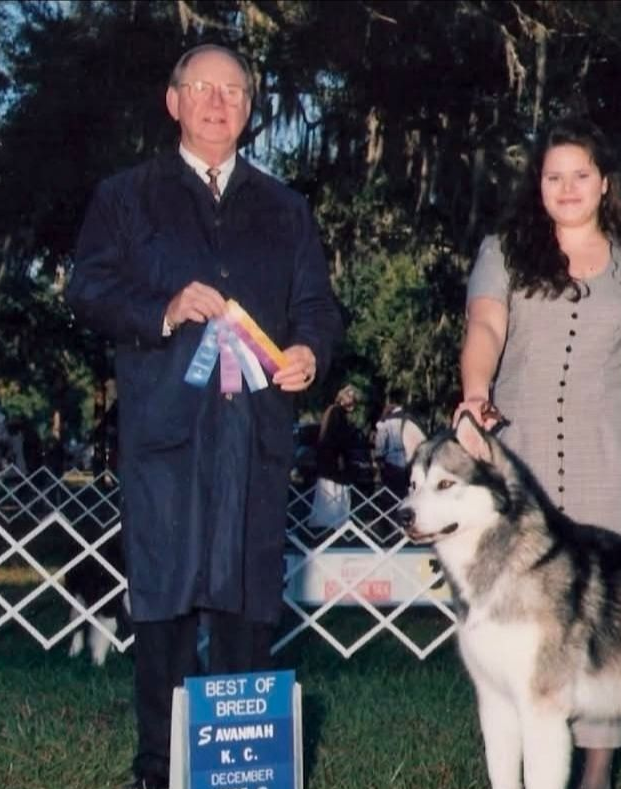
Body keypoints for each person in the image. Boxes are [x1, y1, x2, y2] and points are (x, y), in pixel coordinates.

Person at [66, 43, 342, 789]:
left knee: (249, 595)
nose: (219, 103)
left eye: (235, 92)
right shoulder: (125, 196)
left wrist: (309, 353)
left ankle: (243, 767)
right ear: (174, 101)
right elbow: (87, 288)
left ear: (250, 110)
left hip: (254, 431)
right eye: (203, 89)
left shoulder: (287, 210)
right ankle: (158, 766)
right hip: (165, 430)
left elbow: (316, 306)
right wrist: (161, 309)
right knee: (162, 599)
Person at [454, 117, 621, 789]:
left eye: (581, 175)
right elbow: (485, 323)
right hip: (515, 460)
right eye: (554, 177)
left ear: (604, 184)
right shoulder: (503, 251)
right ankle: (519, 762)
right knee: (521, 616)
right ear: (538, 186)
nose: (568, 187)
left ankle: (597, 766)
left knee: (605, 613)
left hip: (606, 453)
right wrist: (475, 389)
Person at [309, 384, 361, 528]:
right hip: (334, 461)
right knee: (333, 492)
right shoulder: (337, 413)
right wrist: (341, 458)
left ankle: (328, 522)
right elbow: (336, 438)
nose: (353, 404)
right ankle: (332, 522)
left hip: (329, 460)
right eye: (352, 399)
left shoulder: (334, 411)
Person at [373, 398, 411, 498]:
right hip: (408, 462)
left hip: (391, 463)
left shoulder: (386, 421)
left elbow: (380, 442)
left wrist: (378, 458)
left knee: (391, 495)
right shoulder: (410, 419)